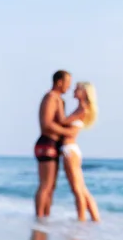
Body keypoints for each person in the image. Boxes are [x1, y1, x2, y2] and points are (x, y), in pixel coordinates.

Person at [34, 70, 85, 219]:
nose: (69, 87)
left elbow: (62, 121)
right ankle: (39, 219)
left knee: (51, 187)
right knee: (46, 185)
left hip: (54, 145)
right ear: (59, 82)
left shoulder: (59, 100)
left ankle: (45, 218)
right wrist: (67, 133)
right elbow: (46, 123)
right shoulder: (51, 98)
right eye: (67, 83)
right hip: (47, 143)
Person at [58, 82, 101, 222]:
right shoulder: (81, 108)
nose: (74, 90)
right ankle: (95, 219)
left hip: (70, 150)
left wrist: (57, 105)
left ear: (84, 92)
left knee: (77, 189)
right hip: (71, 149)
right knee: (81, 189)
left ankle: (81, 220)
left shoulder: (82, 109)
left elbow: (63, 122)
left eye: (77, 89)